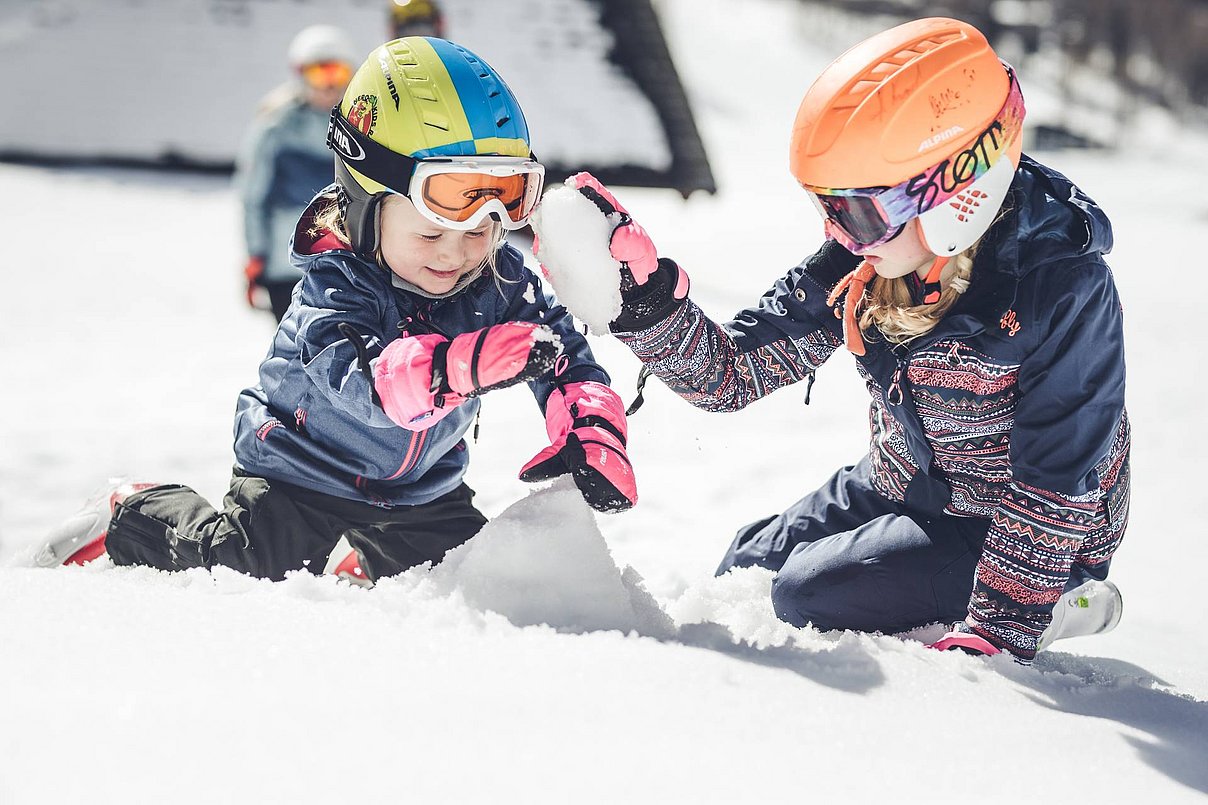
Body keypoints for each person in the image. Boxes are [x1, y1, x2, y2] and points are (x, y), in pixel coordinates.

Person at [532, 18, 1129, 664]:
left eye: (856, 210)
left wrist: (1001, 626)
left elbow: (1055, 482)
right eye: (827, 206)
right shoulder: (869, 258)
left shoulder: (1062, 288)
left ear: (958, 196)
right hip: (908, 481)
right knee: (744, 566)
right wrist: (644, 302)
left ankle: (1068, 597)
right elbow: (733, 372)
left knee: (805, 594)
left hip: (1029, 527)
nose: (838, 232)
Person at [36, 37, 637, 583]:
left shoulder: (494, 276)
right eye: (431, 235)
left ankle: (367, 554)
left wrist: (591, 421)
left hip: (421, 490)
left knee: (474, 576)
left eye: (484, 230)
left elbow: (561, 351)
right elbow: (365, 386)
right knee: (247, 568)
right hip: (302, 472)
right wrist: (456, 367)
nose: (458, 254)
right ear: (364, 207)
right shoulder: (337, 286)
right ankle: (135, 512)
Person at [235, 24, 357, 322]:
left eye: (336, 74)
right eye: (319, 74)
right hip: (285, 266)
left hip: (344, 263)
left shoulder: (358, 123)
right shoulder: (275, 127)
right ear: (300, 74)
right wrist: (255, 257)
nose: (328, 85)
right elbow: (253, 195)